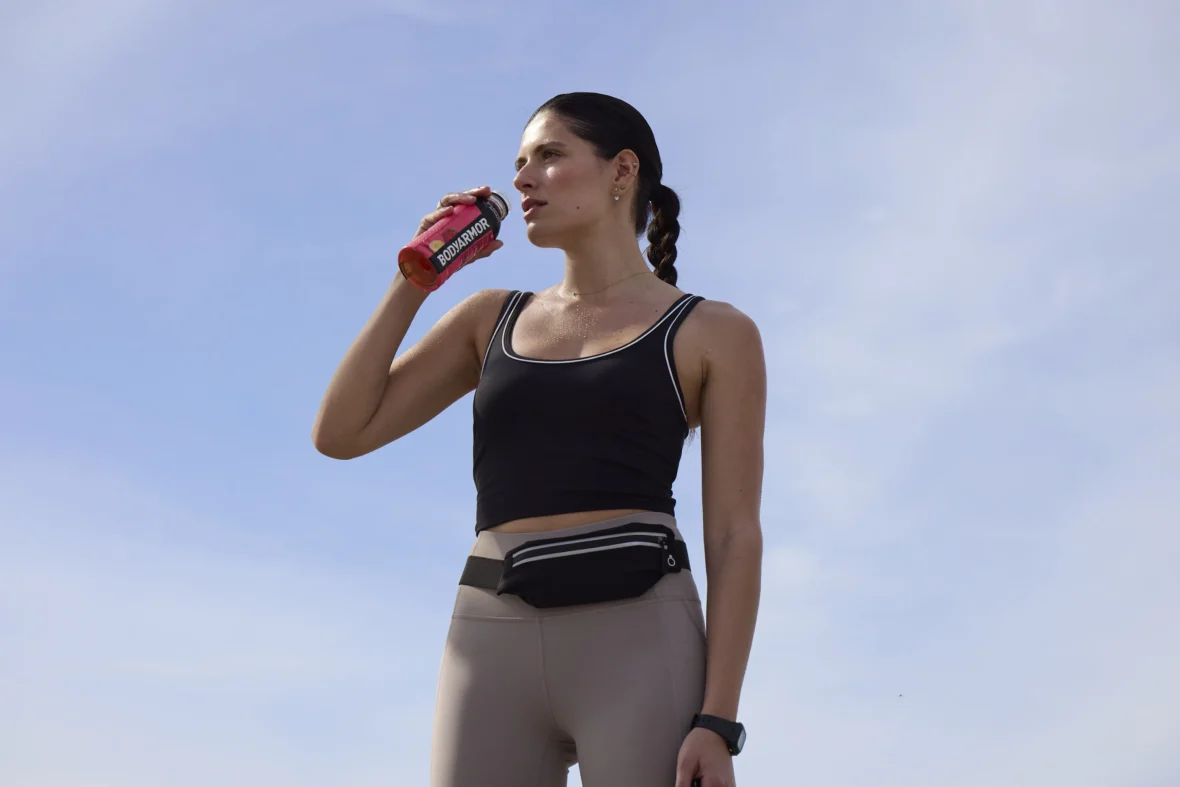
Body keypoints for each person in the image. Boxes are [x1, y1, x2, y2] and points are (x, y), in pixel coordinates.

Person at [312, 92, 765, 787]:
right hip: (489, 638)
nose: (522, 178)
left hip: (640, 634)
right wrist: (418, 277)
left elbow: (735, 534)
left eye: (549, 156)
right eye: (519, 162)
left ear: (621, 171)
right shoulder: (487, 318)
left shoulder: (714, 332)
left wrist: (718, 720)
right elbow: (340, 433)